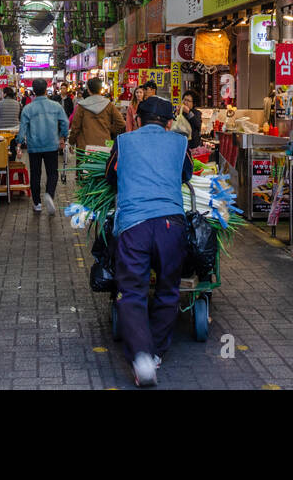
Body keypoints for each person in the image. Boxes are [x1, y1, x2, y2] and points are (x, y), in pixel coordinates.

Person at [105, 95, 193, 388]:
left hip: (134, 225)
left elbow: (109, 176)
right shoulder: (180, 142)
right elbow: (187, 175)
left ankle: (141, 356)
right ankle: (155, 352)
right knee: (168, 289)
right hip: (171, 225)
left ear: (137, 119)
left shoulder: (124, 142)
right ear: (169, 123)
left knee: (132, 292)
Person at [18, 78, 69, 214]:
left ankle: (37, 203)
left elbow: (22, 128)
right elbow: (65, 123)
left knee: (35, 174)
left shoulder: (28, 108)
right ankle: (49, 195)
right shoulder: (56, 106)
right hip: (51, 144)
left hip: (34, 146)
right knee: (52, 173)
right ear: (46, 90)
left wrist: (18, 143)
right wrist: (62, 137)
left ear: (33, 91)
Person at [69, 76, 126, 150]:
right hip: (104, 145)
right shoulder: (109, 105)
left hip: (84, 146)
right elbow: (121, 123)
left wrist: (71, 142)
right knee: (102, 162)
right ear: (101, 89)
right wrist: (108, 128)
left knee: (85, 162)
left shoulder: (81, 106)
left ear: (88, 90)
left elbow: (75, 127)